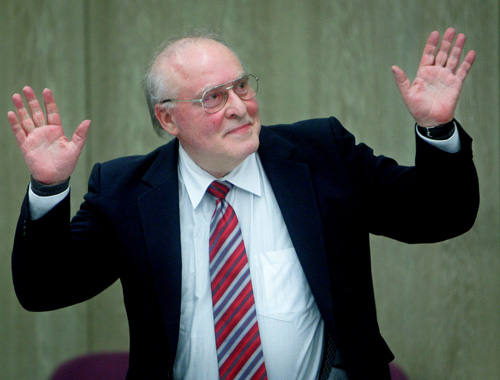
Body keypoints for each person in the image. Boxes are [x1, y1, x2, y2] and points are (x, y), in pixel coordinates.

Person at [8, 28, 479, 380]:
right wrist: (49, 188)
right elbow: (44, 289)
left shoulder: (322, 155)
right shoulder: (125, 190)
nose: (238, 106)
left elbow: (440, 214)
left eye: (242, 87)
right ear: (168, 118)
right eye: (213, 97)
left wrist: (436, 130)